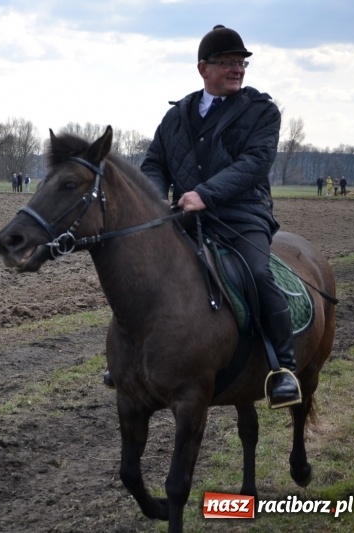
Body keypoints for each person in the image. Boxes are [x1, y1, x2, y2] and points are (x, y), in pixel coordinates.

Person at [104, 25, 300, 407]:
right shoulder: (177, 115)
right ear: (202, 68)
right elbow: (155, 161)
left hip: (243, 216)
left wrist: (205, 195)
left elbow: (255, 163)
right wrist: (156, 199)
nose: (237, 69)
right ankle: (125, 361)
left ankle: (283, 369)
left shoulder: (261, 111)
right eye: (227, 62)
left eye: (241, 63)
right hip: (184, 217)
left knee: (258, 274)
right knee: (139, 272)